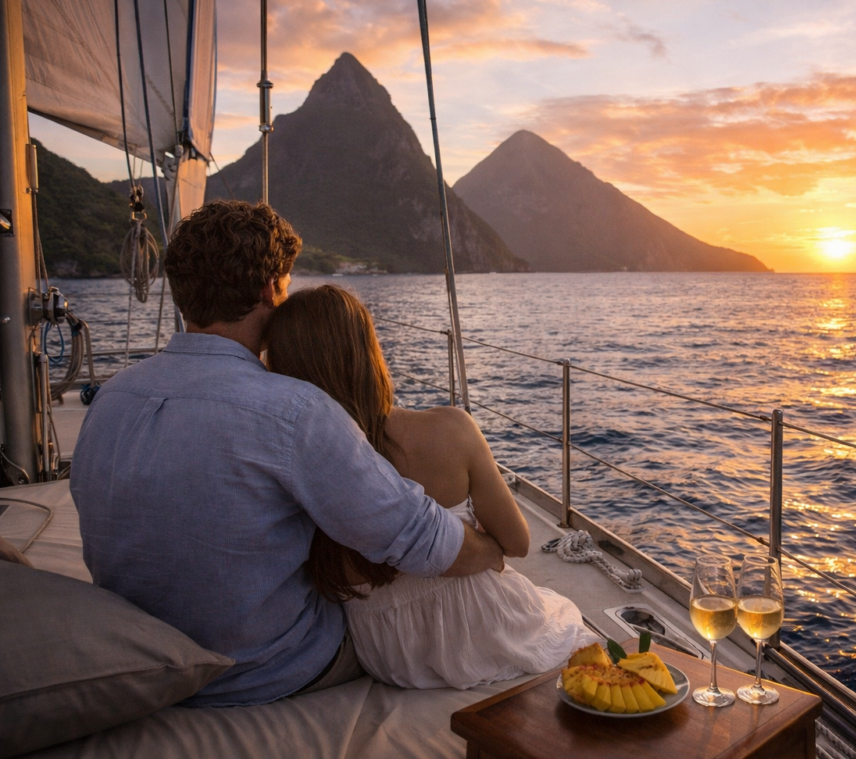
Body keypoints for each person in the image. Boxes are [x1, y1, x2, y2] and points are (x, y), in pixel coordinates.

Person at [70, 201, 505, 706]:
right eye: (285, 284)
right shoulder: (294, 411)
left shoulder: (112, 397)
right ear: (267, 291)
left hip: (139, 662)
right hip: (262, 670)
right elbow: (419, 539)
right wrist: (493, 551)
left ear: (185, 295)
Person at [265, 285, 594, 690]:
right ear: (368, 352)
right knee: (562, 616)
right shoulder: (450, 428)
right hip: (483, 625)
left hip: (390, 652)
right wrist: (478, 540)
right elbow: (518, 542)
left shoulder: (297, 463)